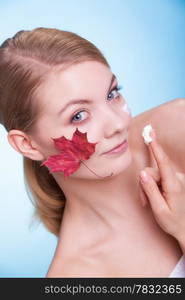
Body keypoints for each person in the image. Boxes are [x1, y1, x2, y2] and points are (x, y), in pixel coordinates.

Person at [0, 27, 185, 278]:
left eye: (112, 94)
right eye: (78, 116)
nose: (118, 124)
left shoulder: (175, 127)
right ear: (27, 145)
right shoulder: (75, 276)